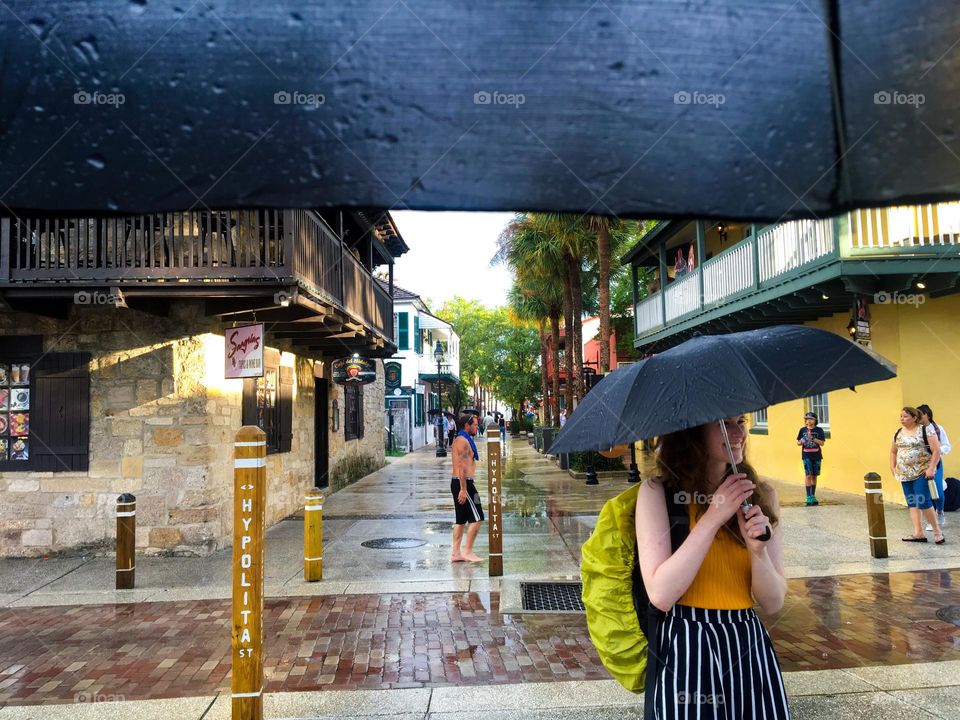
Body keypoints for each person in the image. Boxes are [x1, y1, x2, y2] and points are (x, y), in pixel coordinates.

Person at [636, 415, 790, 719]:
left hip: (747, 643)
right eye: (725, 424)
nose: (739, 433)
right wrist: (714, 517)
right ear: (693, 431)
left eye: (741, 422)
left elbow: (773, 602)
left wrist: (757, 552)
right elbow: (661, 594)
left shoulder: (761, 496)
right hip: (687, 644)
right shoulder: (658, 494)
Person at [892, 407, 944, 544]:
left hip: (922, 471)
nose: (902, 419)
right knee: (912, 502)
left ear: (915, 418)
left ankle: (937, 532)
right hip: (904, 474)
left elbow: (936, 450)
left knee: (923, 501)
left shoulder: (925, 430)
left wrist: (931, 468)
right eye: (901, 416)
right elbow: (893, 451)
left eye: (905, 416)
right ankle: (918, 533)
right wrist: (892, 466)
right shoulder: (898, 432)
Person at [450, 413, 484, 563]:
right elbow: (462, 466)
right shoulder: (463, 441)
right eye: (475, 424)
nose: (477, 427)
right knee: (478, 517)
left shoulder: (460, 439)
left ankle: (456, 553)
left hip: (459, 482)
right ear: (467, 426)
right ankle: (468, 552)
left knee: (461, 520)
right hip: (464, 484)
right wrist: (464, 489)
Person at [918, 403, 950, 530]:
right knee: (924, 492)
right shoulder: (915, 430)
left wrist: (936, 450)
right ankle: (931, 521)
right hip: (920, 464)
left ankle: (940, 512)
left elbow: (947, 446)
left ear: (927, 415)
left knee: (938, 492)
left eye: (920, 414)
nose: (918, 417)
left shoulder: (938, 429)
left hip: (935, 463)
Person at [796, 411, 826, 506]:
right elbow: (798, 442)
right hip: (806, 455)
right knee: (808, 475)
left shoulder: (819, 430)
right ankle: (808, 496)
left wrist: (812, 438)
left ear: (815, 420)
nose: (808, 421)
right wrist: (803, 440)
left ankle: (813, 495)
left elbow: (822, 443)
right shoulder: (802, 430)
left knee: (814, 475)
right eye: (807, 419)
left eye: (810, 419)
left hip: (816, 455)